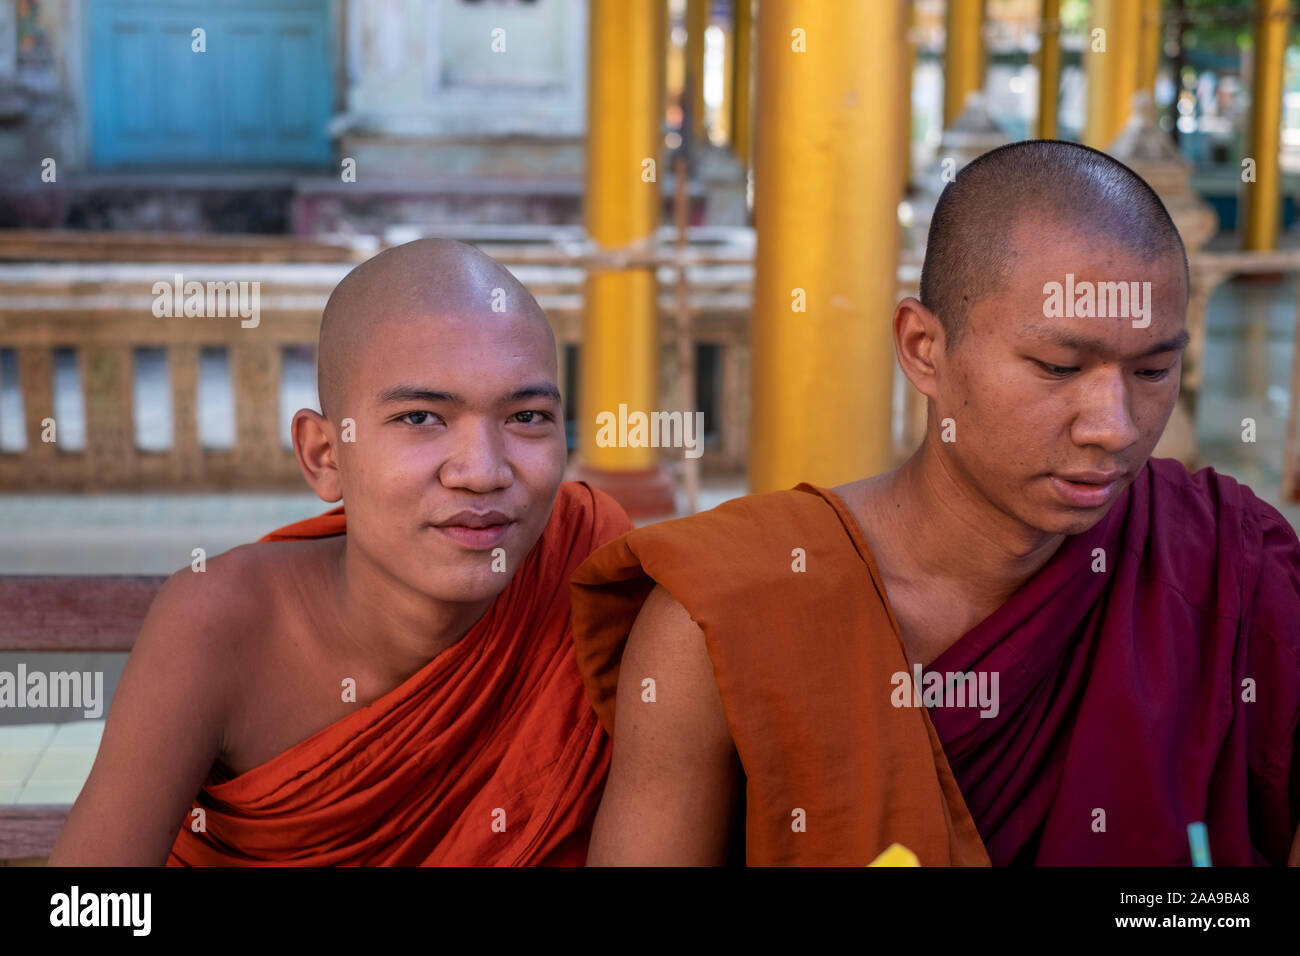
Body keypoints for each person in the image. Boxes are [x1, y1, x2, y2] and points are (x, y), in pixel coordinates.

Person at [570, 141, 1300, 866]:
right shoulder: (725, 614)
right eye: (1058, 366)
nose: (1115, 425)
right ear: (923, 348)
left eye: (1152, 368)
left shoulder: (1227, 570)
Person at [51, 238, 630, 866]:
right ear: (325, 456)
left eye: (526, 417)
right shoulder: (222, 622)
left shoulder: (589, 567)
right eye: (419, 418)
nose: (483, 472)